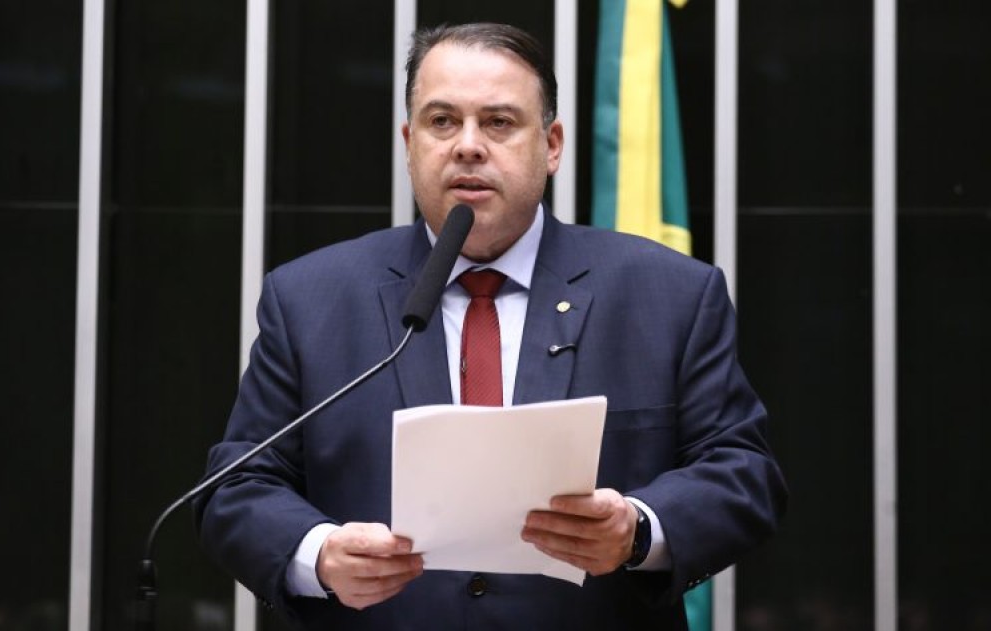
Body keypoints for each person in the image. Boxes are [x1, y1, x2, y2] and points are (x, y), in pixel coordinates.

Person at [194, 22, 787, 630]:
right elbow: (237, 488)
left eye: (499, 122)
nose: (468, 146)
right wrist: (318, 554)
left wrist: (637, 529)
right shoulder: (310, 299)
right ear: (409, 143)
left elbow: (744, 474)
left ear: (551, 145)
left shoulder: (669, 294)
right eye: (442, 121)